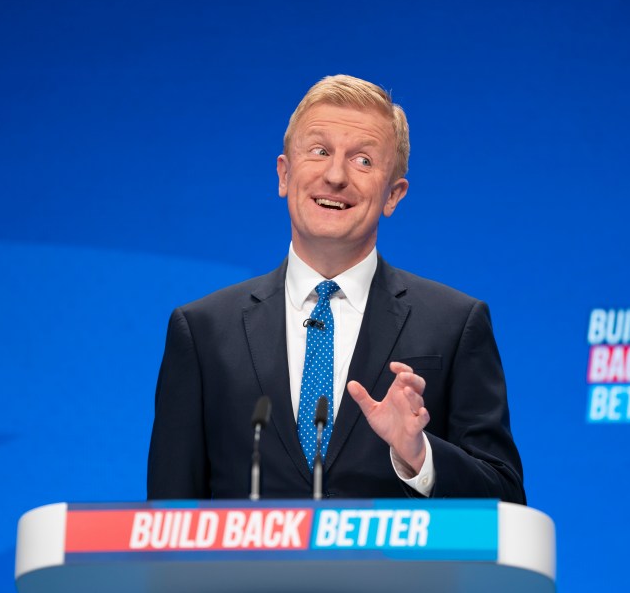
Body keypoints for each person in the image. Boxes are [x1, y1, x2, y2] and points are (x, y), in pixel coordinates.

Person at [147, 75, 525, 503]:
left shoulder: (455, 324)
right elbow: (167, 520)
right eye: (320, 151)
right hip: (246, 573)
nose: (335, 175)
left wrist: (420, 457)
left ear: (393, 195)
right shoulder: (203, 332)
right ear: (284, 174)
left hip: (397, 572)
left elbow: (507, 502)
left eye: (363, 160)